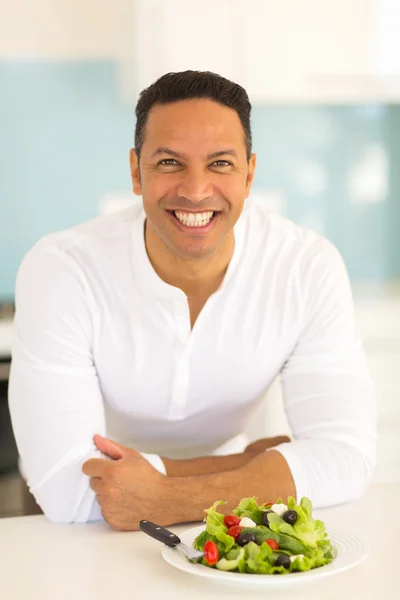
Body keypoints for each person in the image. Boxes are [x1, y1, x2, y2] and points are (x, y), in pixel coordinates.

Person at [9, 71, 376, 530]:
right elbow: (69, 490)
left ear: (250, 174)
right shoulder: (62, 268)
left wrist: (166, 494)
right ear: (135, 171)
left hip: (220, 518)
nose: (196, 189)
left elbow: (347, 457)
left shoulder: (306, 266)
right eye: (169, 163)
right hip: (81, 525)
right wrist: (246, 468)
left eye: (220, 163)